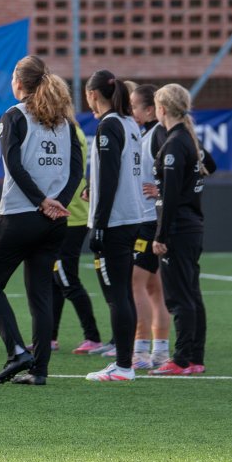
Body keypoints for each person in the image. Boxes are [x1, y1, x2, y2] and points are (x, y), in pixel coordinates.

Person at [0, 57, 81, 387]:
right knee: (41, 296)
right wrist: (58, 203)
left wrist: (40, 201)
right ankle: (39, 370)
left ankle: (17, 352)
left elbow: (13, 164)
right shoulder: (64, 121)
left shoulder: (15, 115)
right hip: (53, 221)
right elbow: (77, 169)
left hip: (19, 216)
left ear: (19, 83)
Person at [82, 70, 148, 382]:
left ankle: (122, 366)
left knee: (117, 295)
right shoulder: (129, 122)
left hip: (116, 222)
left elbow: (109, 177)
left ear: (92, 94)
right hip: (131, 217)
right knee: (123, 293)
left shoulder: (109, 125)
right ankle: (125, 363)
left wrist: (99, 224)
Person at [150, 84, 211, 376]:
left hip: (179, 229)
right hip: (191, 226)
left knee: (179, 297)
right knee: (192, 294)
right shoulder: (187, 138)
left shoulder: (175, 142)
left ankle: (182, 359)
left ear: (161, 109)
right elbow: (210, 164)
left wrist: (160, 236)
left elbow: (171, 195)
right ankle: (195, 358)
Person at [55, 118, 106, 357]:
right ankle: (49, 337)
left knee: (66, 277)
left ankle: (92, 336)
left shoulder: (68, 131)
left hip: (71, 215)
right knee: (56, 278)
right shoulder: (70, 130)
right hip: (69, 213)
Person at [130, 83, 171, 370]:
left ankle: (141, 351)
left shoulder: (159, 133)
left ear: (150, 110)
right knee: (155, 288)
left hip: (150, 221)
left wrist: (161, 189)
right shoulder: (146, 133)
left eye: (134, 106)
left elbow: (179, 170)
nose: (131, 111)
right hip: (148, 218)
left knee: (136, 284)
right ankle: (160, 352)